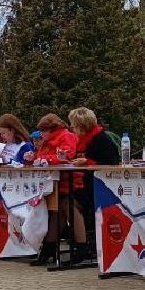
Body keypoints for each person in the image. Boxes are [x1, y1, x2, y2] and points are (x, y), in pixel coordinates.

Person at [56, 107, 120, 267]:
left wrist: (88, 163)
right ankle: (59, 245)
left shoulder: (101, 140)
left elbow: (112, 163)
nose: (72, 128)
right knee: (63, 203)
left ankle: (81, 246)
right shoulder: (82, 140)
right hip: (85, 183)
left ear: (81, 126)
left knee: (67, 203)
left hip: (99, 187)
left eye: (74, 125)